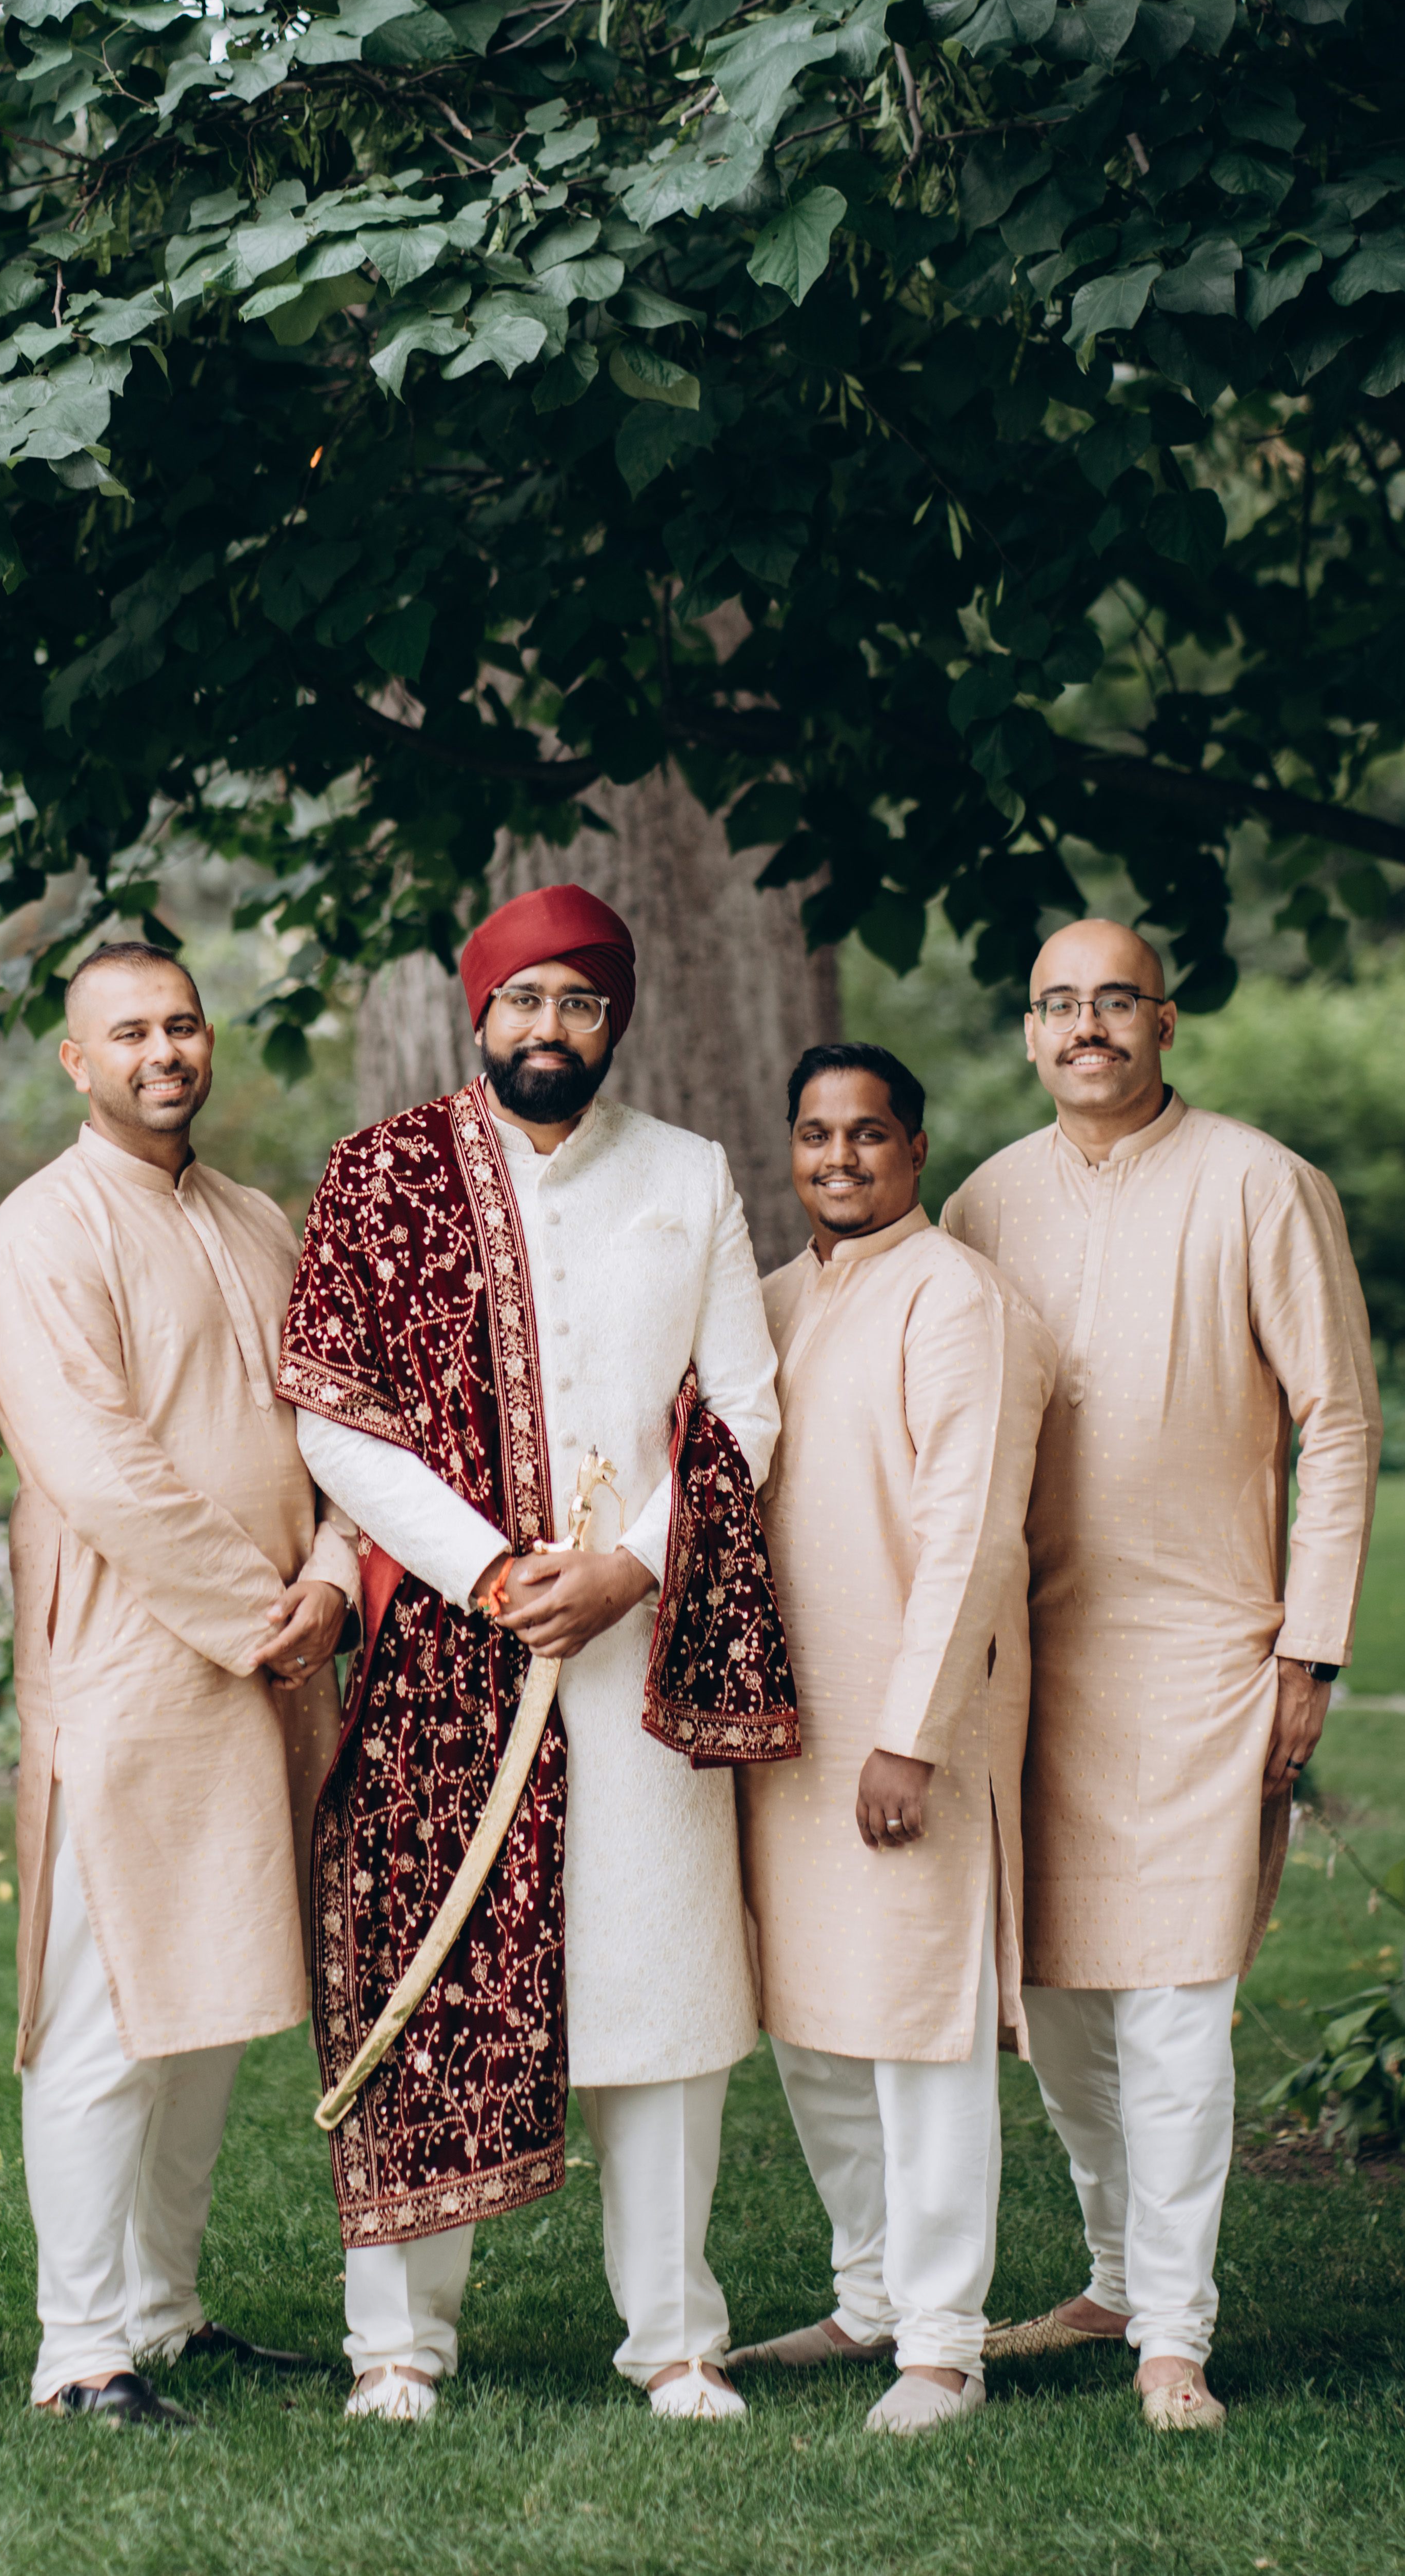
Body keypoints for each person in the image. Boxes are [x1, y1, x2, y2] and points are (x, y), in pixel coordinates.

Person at [278, 883, 796, 2425]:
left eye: (579, 1000)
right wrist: (493, 1573)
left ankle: (676, 2342)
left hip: (639, 1650)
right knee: (428, 1983)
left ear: (613, 1017)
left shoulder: (689, 1172)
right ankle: (399, 2347)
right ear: (479, 1011)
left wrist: (630, 1567)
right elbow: (335, 1420)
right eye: (524, 999)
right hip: (449, 1655)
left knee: (662, 1987)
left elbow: (743, 1403)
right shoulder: (381, 1176)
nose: (550, 1026)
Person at [944, 919, 1380, 2432]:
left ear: (1164, 1022)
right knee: (1057, 2005)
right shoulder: (986, 1200)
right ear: (1027, 1032)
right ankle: (1117, 2276)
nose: (1087, 1027)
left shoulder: (1262, 1184)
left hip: (1208, 1651)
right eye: (1058, 1004)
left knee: (1177, 2005)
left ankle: (1174, 2335)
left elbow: (1338, 1421)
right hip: (1030, 1659)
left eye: (1115, 1001)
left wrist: (1308, 1646)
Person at [0, 942, 361, 2428]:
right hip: (135, 1661)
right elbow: (95, 1465)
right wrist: (263, 1609)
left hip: (277, 1656)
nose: (163, 1052)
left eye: (182, 1025)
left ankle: (163, 2310)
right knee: (109, 2000)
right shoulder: (44, 1231)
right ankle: (78, 2353)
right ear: (77, 1062)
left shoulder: (256, 1219)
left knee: (214, 1994)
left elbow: (338, 1426)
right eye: (127, 1032)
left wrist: (335, 1577)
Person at [728, 1045, 1055, 2434]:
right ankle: (866, 2298)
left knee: (920, 2032)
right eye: (816, 1134)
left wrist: (909, 1735)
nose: (840, 1157)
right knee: (815, 2028)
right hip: (785, 1734)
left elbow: (971, 1532)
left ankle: (943, 2346)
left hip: (903, 1731)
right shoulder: (771, 1301)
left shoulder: (956, 1297)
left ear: (916, 1150)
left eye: (868, 1134)